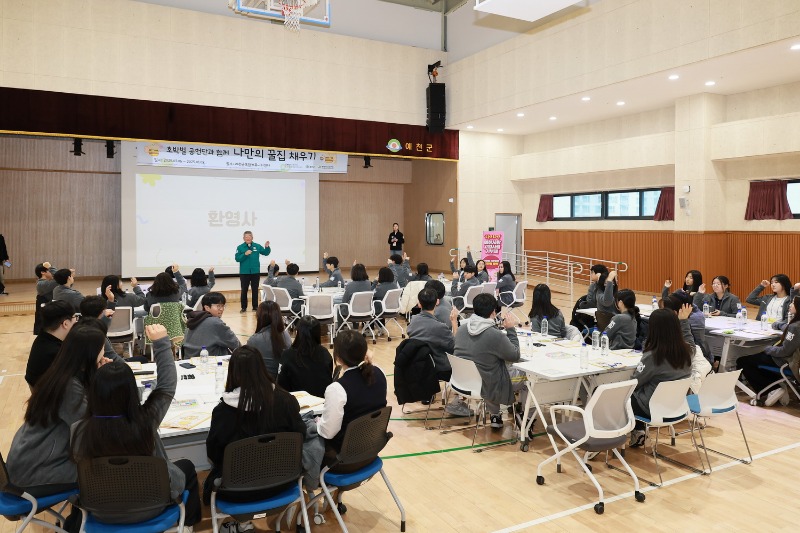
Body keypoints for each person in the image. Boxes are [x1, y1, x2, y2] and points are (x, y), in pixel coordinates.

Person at [71, 324, 201, 532]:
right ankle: (186, 526)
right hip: (152, 506)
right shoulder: (144, 421)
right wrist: (161, 344)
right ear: (132, 392)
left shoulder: (79, 430)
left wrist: (101, 374)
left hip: (102, 510)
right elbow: (167, 387)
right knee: (186, 467)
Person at [7, 321, 114, 491]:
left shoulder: (61, 374)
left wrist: (97, 377)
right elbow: (92, 428)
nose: (104, 353)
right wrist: (104, 383)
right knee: (113, 469)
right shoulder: (69, 388)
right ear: (90, 354)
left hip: (28, 461)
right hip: (35, 472)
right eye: (102, 349)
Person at [205, 345, 306, 512]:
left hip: (237, 491)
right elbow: (300, 437)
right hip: (282, 483)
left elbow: (214, 454)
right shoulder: (286, 401)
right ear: (261, 368)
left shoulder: (223, 412)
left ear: (233, 372)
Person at [317, 330, 387, 472]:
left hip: (343, 460)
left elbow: (328, 433)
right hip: (372, 451)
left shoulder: (337, 389)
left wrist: (317, 423)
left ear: (338, 357)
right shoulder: (380, 373)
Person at [629, 306, 694, 447]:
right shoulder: (688, 351)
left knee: (616, 395)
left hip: (652, 409)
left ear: (654, 330)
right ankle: (638, 431)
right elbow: (690, 341)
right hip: (677, 406)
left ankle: (607, 438)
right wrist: (684, 321)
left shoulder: (653, 356)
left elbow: (635, 382)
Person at [454, 293, 522, 429]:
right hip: (488, 385)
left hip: (462, 381)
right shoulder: (495, 335)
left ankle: (495, 414)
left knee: (488, 367)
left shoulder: (461, 329)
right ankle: (524, 416)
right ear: (493, 312)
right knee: (527, 378)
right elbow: (515, 355)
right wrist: (511, 330)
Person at [737, 296, 800, 407]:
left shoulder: (795, 327)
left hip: (785, 361)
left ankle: (771, 389)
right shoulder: (795, 325)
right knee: (755, 358)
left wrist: (767, 348)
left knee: (743, 361)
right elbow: (787, 328)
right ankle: (776, 386)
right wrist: (778, 324)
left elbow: (785, 351)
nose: (790, 305)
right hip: (787, 359)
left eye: (793, 303)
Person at [407, 288, 458, 381]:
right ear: (437, 302)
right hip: (439, 369)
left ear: (419, 304)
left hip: (418, 365)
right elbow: (456, 347)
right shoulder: (440, 327)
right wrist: (454, 322)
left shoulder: (413, 321)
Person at [278, 316, 334, 398]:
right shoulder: (325, 353)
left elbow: (281, 386)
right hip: (322, 401)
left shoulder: (287, 355)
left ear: (298, 332)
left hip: (297, 402)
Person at [24, 300, 76, 388]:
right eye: (75, 318)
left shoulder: (43, 337)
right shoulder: (55, 352)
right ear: (65, 324)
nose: (76, 322)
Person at [184, 292, 240, 358]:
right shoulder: (215, 322)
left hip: (188, 359)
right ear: (207, 307)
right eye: (218, 306)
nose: (221, 309)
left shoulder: (194, 319)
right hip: (208, 360)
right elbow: (235, 344)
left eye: (223, 306)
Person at [246, 300, 291, 378]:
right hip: (283, 381)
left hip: (262, 381)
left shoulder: (254, 340)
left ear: (259, 317)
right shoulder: (286, 335)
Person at [235, 231, 271, 313]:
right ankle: (243, 307)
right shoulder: (240, 247)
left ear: (252, 237)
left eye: (249, 236)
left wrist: (267, 247)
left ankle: (255, 307)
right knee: (244, 290)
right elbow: (237, 259)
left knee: (255, 290)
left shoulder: (257, 246)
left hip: (255, 272)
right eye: (246, 237)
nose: (248, 238)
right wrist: (245, 254)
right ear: (243, 238)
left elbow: (265, 253)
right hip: (244, 272)